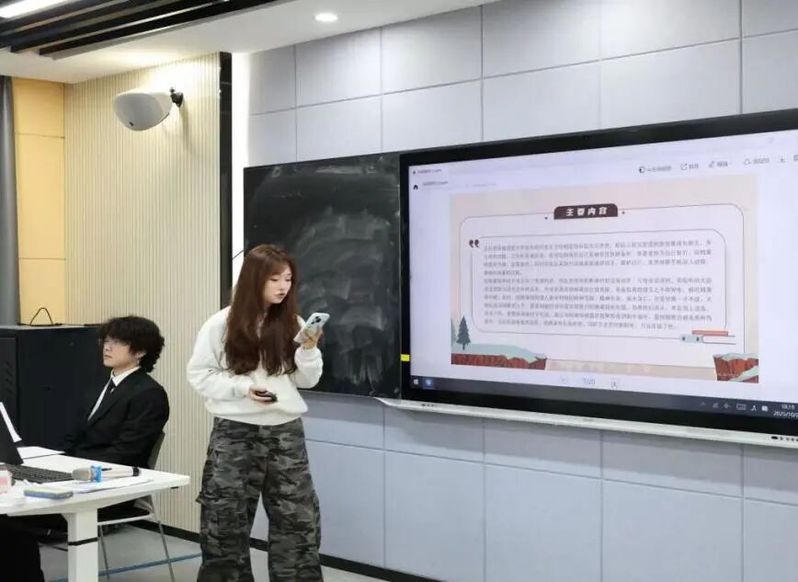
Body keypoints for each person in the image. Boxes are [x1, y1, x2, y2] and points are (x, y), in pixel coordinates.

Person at [187, 244, 324, 582]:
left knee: (298, 520)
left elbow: (306, 380)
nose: (283, 287)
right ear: (253, 279)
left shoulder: (292, 322)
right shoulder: (221, 323)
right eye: (274, 279)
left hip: (285, 431)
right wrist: (243, 388)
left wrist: (309, 350)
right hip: (236, 432)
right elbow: (200, 375)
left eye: (288, 279)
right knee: (225, 520)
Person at [0, 315, 169, 582]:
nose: (107, 347)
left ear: (140, 352)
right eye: (106, 340)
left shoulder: (149, 394)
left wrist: (72, 470)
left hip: (109, 487)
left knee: (11, 519)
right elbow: (71, 437)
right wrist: (55, 464)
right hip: (76, 477)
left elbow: (127, 453)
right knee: (9, 511)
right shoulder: (99, 386)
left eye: (118, 342)